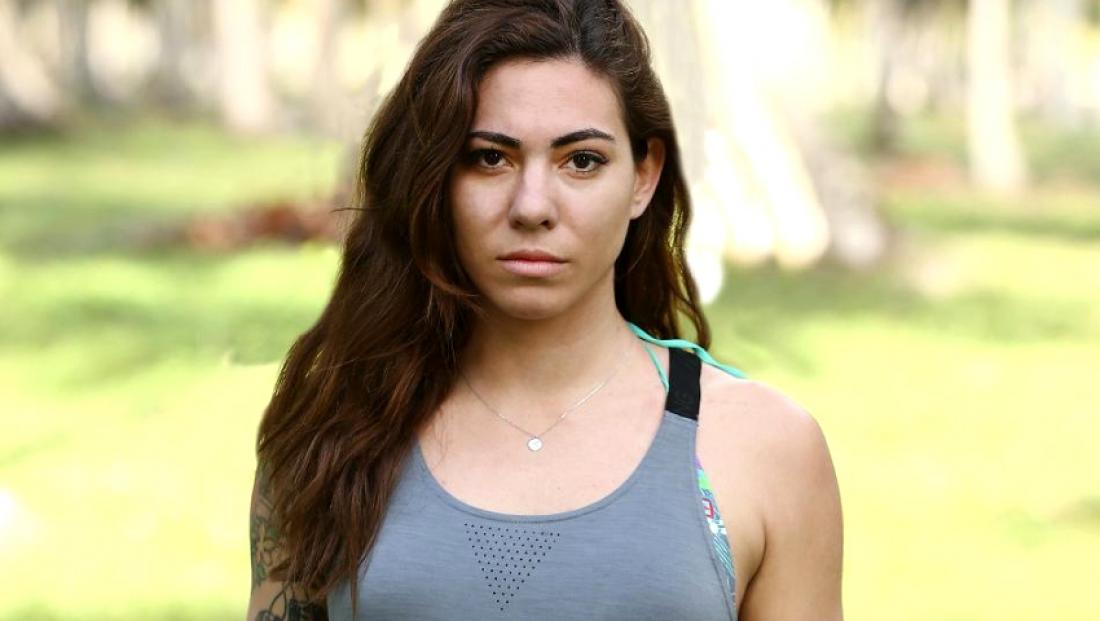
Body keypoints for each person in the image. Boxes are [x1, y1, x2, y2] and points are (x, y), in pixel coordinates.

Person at [246, 0, 843, 619]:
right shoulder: (333, 431)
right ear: (434, 178)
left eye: (581, 161)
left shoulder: (763, 447)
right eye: (489, 157)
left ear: (643, 177)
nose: (532, 206)